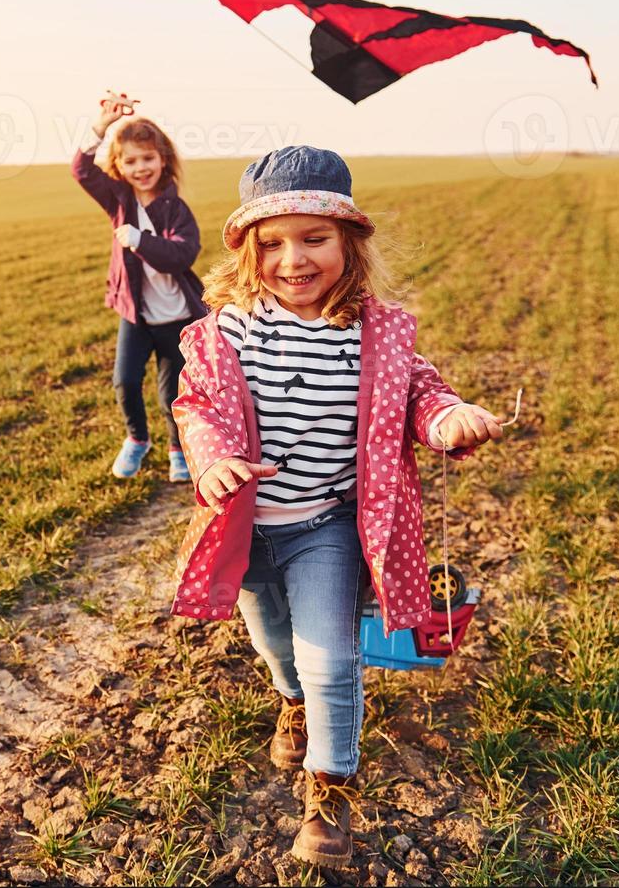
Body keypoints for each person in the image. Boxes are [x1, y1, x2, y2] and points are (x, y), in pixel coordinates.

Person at [169, 146, 503, 867]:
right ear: (249, 253)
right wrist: (215, 459)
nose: (294, 259)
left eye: (314, 239)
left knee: (331, 658)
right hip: (248, 527)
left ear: (349, 244)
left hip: (327, 525)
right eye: (273, 243)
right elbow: (197, 404)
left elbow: (423, 392)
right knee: (274, 645)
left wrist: (447, 419)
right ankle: (288, 700)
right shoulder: (228, 331)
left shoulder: (375, 334)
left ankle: (332, 788)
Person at [71, 91, 207, 482]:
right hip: (136, 313)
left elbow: (181, 256)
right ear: (118, 165)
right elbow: (82, 170)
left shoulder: (176, 209)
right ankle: (137, 440)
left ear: (163, 159)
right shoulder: (118, 200)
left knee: (171, 395)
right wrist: (101, 126)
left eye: (148, 158)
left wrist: (139, 240)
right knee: (125, 381)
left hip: (177, 318)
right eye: (130, 160)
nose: (140, 167)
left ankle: (177, 450)